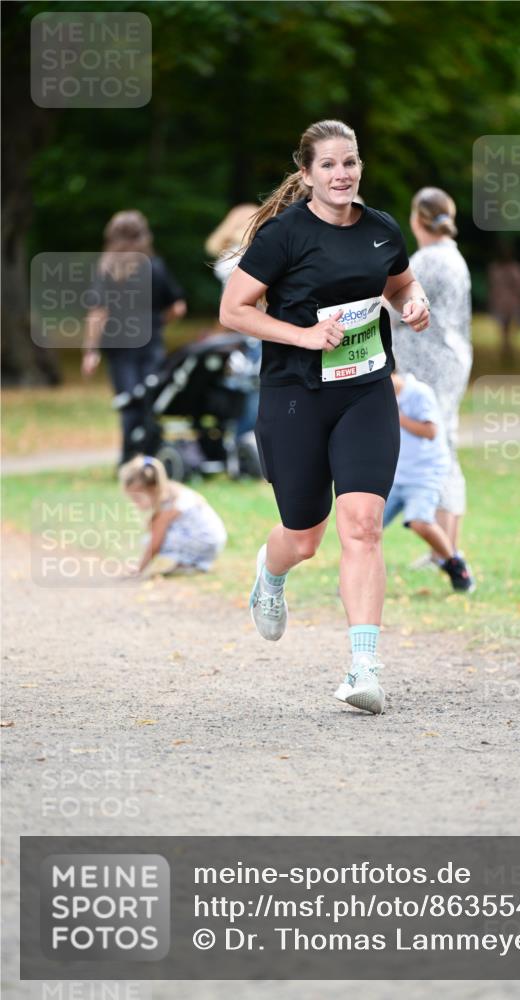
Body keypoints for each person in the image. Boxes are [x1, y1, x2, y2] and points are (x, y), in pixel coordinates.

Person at [220, 119, 430, 715]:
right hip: (295, 395)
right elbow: (233, 310)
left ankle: (364, 667)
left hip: (366, 389)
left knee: (362, 524)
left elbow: (403, 285)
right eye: (330, 165)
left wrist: (414, 306)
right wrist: (304, 337)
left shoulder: (382, 229)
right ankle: (271, 569)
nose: (343, 175)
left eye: (351, 163)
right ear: (308, 173)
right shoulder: (285, 236)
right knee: (305, 535)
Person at [390, 187, 475, 588]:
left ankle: (448, 552)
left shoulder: (426, 261)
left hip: (431, 366)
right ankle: (445, 547)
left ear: (416, 219)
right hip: (452, 359)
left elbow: (393, 306)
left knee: (441, 449)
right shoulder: (453, 257)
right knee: (447, 446)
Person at [81, 211, 187, 463]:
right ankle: (152, 455)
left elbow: (98, 313)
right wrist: (159, 322)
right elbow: (178, 307)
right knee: (151, 399)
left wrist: (91, 350)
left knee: (127, 400)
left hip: (118, 346)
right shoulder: (155, 266)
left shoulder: (107, 269)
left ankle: (129, 457)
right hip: (151, 343)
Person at [383, 371, 474, 592]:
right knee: (365, 526)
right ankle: (356, 582)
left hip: (424, 473)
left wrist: (398, 417)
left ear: (392, 372)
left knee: (419, 522)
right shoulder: (378, 395)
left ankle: (454, 562)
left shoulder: (419, 392)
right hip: (394, 473)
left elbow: (431, 431)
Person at [206, 204, 262, 439]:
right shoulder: (253, 256)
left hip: (240, 334)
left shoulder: (229, 259)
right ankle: (245, 439)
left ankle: (241, 438)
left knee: (242, 386)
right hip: (251, 333)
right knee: (252, 387)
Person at [120, 455, 227, 576]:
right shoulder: (173, 490)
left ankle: (189, 564)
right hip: (214, 539)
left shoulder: (168, 505)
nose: (135, 503)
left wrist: (139, 569)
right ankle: (189, 563)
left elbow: (155, 544)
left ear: (152, 488)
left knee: (149, 539)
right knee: (154, 534)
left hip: (206, 541)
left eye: (137, 498)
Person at [487, 241, 520, 365]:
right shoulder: (509, 269)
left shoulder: (508, 269)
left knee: (506, 329)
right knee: (505, 329)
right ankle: (507, 349)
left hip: (508, 303)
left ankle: (507, 349)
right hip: (506, 303)